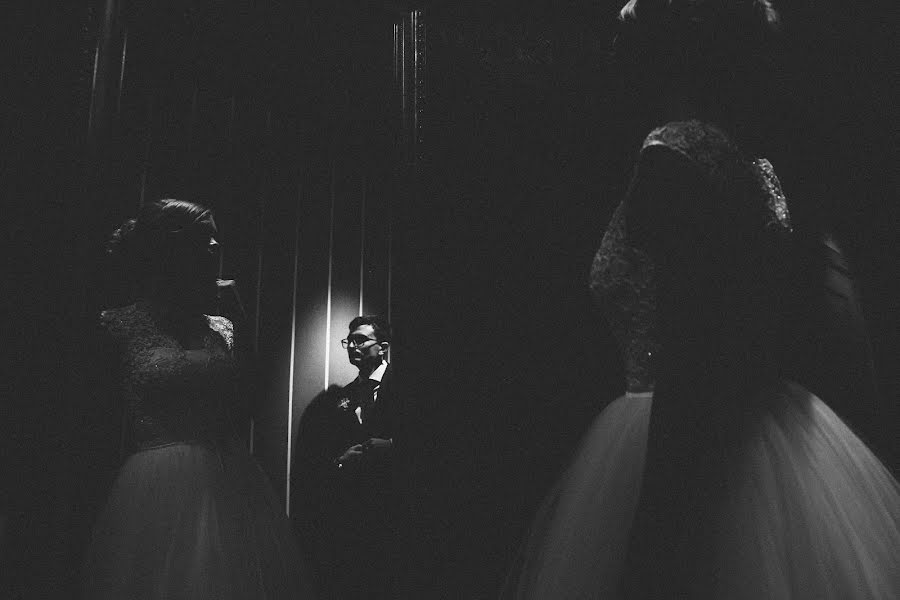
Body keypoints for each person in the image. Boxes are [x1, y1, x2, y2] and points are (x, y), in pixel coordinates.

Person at [504, 1, 900, 598]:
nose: (614, 52)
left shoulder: (675, 152)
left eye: (627, 37)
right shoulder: (749, 160)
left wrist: (659, 511)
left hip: (682, 427)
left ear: (664, 55)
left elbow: (692, 337)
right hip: (755, 430)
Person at [82, 199, 314, 599]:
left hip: (231, 478)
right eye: (203, 237)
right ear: (171, 249)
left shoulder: (222, 326)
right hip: (152, 485)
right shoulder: (117, 325)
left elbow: (251, 401)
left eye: (215, 238)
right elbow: (93, 420)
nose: (214, 246)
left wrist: (240, 316)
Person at [293, 315, 401, 599]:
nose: (353, 346)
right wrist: (341, 460)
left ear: (383, 346)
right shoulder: (344, 398)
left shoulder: (405, 386)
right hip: (354, 511)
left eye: (361, 340)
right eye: (349, 341)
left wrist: (392, 446)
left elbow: (431, 443)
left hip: (398, 504)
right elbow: (323, 453)